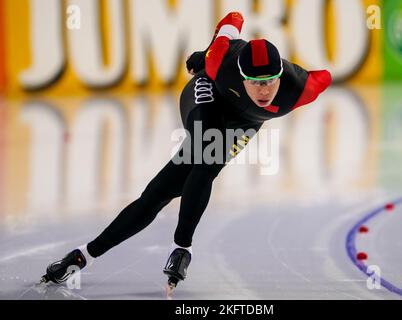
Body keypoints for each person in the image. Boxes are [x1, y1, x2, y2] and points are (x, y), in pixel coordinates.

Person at [40, 12, 332, 296]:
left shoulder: (303, 87)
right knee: (207, 154)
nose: (264, 89)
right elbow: (233, 18)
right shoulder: (220, 61)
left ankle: (83, 255)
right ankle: (182, 248)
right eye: (255, 82)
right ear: (241, 75)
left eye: (270, 80)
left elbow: (326, 75)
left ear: (281, 75)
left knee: (159, 192)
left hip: (245, 123)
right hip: (208, 95)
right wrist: (206, 55)